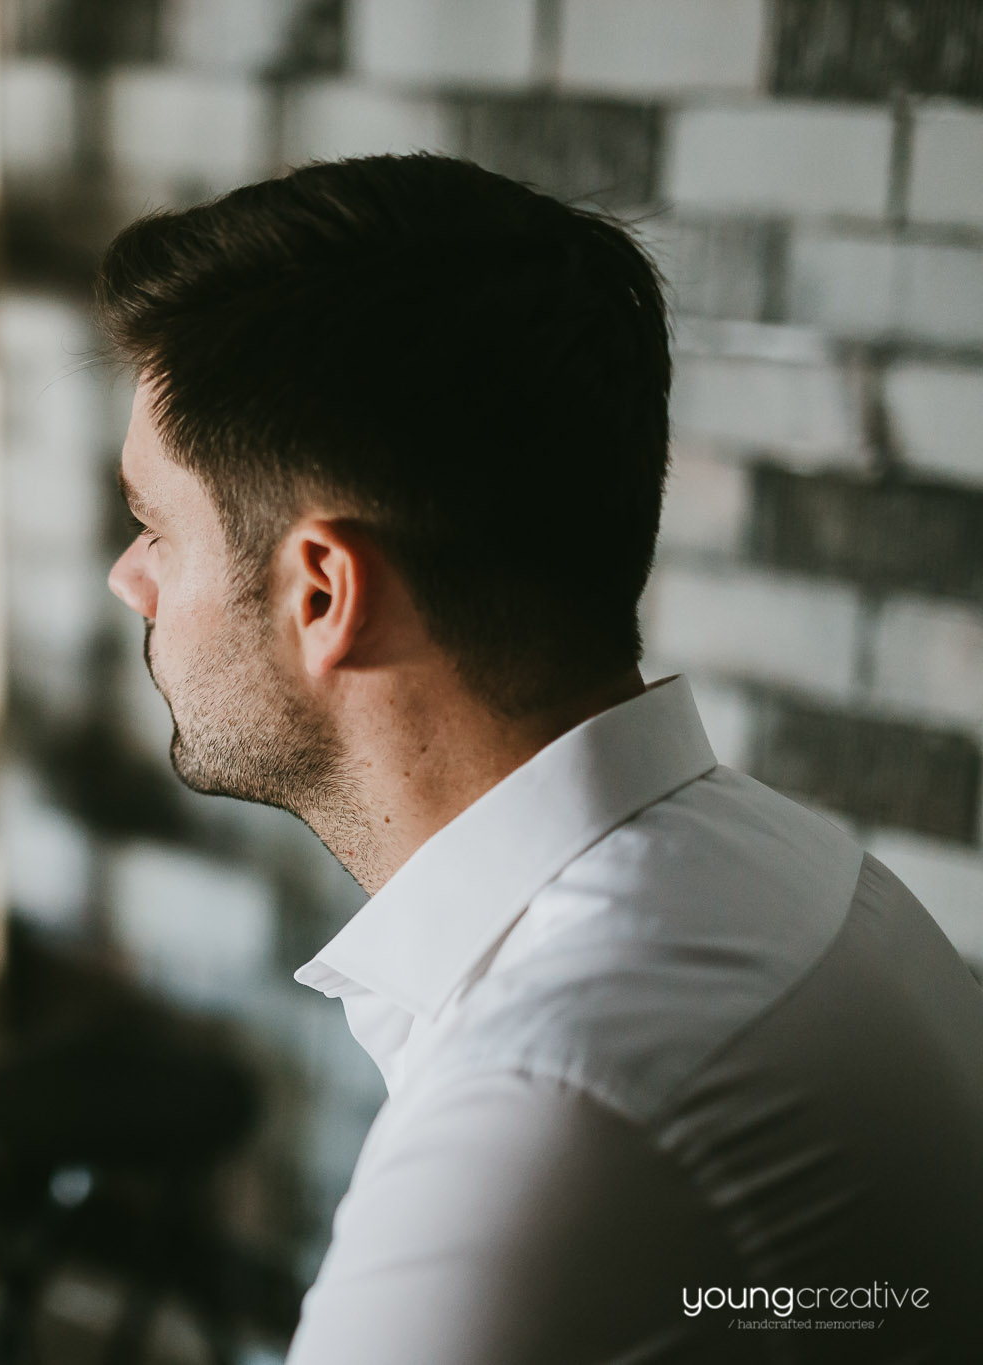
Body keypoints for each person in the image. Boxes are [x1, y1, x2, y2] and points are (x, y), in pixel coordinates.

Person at [99, 155, 983, 1363]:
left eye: (152, 525)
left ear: (320, 594)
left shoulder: (549, 1107)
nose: (128, 578)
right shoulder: (804, 876)